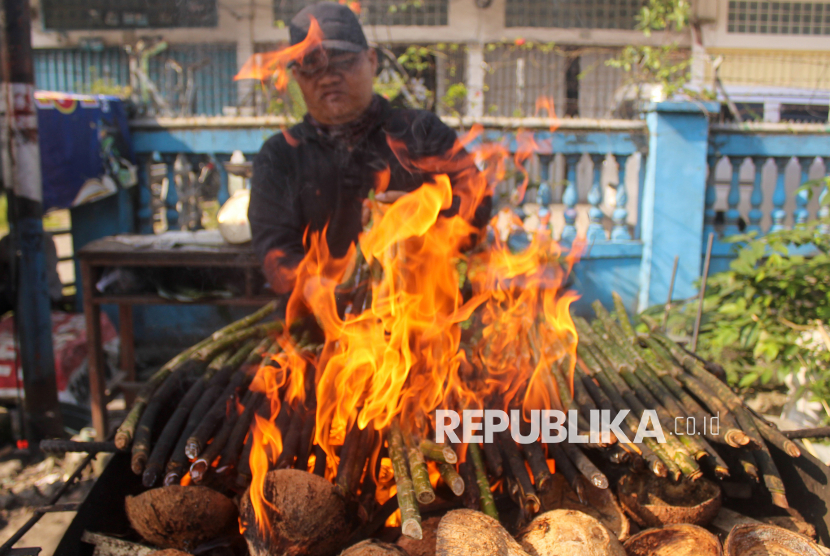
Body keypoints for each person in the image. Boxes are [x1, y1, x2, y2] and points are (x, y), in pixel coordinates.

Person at [248, 1, 491, 295]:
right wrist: (316, 292)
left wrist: (423, 216)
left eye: (342, 60)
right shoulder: (280, 156)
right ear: (297, 77)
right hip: (322, 328)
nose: (328, 77)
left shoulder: (423, 133)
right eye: (312, 65)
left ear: (372, 60)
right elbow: (275, 250)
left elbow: (479, 208)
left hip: (420, 318)